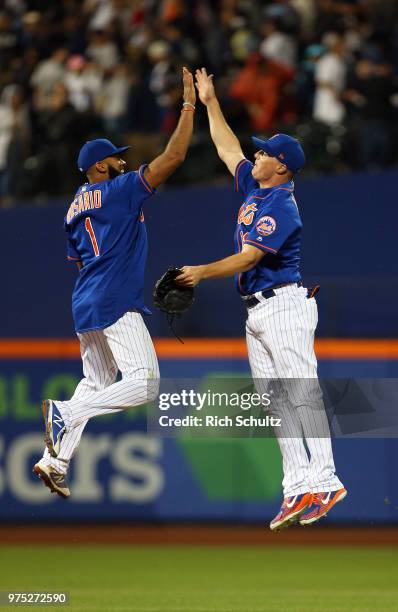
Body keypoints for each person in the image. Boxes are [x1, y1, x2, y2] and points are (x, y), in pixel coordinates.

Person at [177, 68, 346, 530]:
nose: (258, 152)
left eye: (267, 152)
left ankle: (326, 480)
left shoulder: (282, 205)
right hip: (257, 312)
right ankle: (298, 486)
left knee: (301, 393)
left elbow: (250, 257)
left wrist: (201, 272)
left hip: (285, 305)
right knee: (276, 401)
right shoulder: (256, 186)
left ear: (284, 166)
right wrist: (210, 103)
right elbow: (227, 147)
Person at [33, 67, 196, 499]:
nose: (123, 160)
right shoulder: (119, 189)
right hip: (112, 297)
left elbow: (79, 256)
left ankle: (55, 460)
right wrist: (188, 106)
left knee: (98, 382)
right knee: (146, 382)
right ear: (100, 166)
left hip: (85, 299)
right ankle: (66, 412)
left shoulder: (73, 205)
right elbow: (173, 158)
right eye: (116, 157)